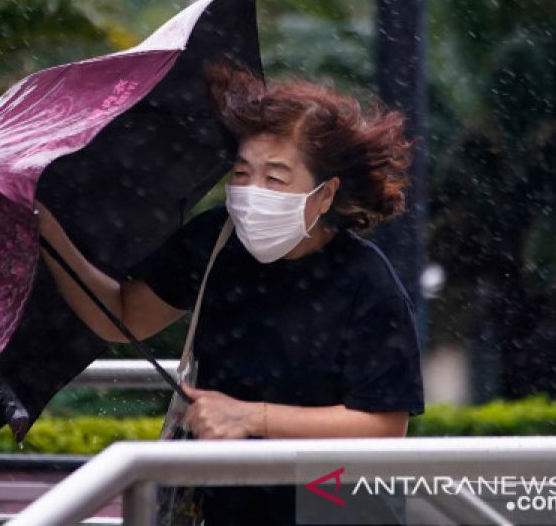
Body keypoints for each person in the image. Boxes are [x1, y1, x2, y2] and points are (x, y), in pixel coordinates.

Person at [36, 60, 425, 525]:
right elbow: (125, 316)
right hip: (229, 504)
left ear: (325, 195)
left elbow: (383, 427)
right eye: (242, 173)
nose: (251, 192)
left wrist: (251, 418)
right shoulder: (216, 239)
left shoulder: (368, 282)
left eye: (276, 177)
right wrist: (50, 239)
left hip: (333, 508)